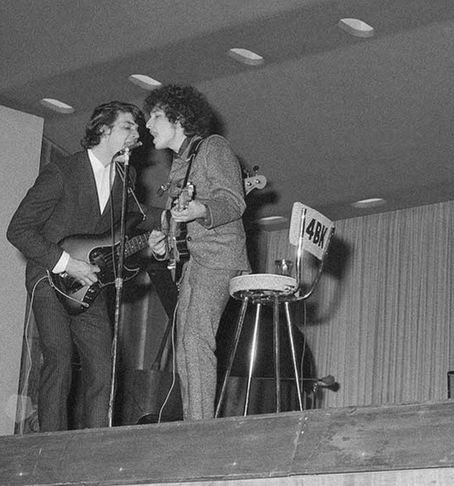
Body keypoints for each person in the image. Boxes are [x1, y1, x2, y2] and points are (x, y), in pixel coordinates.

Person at [7, 101, 160, 431]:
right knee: (59, 358)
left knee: (103, 368)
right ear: (103, 130)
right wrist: (65, 263)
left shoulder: (125, 177)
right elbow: (17, 229)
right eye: (128, 127)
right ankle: (50, 446)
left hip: (90, 284)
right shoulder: (62, 172)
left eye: (138, 128)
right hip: (48, 278)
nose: (138, 133)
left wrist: (153, 242)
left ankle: (92, 450)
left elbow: (116, 239)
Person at [145, 84, 250, 420]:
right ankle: (196, 421)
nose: (148, 124)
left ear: (178, 118)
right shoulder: (179, 166)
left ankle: (200, 429)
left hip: (219, 259)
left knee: (195, 339)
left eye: (156, 116)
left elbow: (233, 202)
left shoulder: (213, 148)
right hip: (195, 265)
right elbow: (178, 226)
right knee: (187, 347)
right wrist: (163, 245)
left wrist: (199, 210)